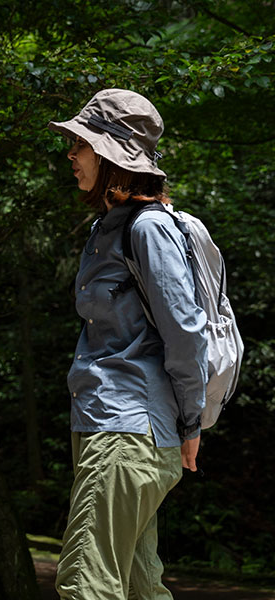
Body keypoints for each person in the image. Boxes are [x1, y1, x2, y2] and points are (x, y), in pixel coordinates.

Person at [47, 89, 208, 599]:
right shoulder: (108, 228)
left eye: (82, 144)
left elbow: (186, 331)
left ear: (114, 155)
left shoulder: (150, 228)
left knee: (84, 585)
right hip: (107, 423)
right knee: (141, 589)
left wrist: (191, 420)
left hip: (129, 430)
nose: (71, 154)